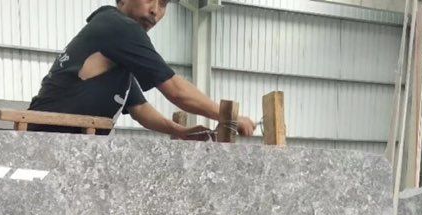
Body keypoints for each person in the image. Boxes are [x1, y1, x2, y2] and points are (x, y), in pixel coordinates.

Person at [27, 0, 256, 138]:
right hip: (48, 140)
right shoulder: (120, 28)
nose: (155, 10)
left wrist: (180, 132)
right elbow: (176, 90)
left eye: (163, 4)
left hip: (58, 140)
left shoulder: (117, 47)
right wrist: (231, 117)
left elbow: (140, 109)